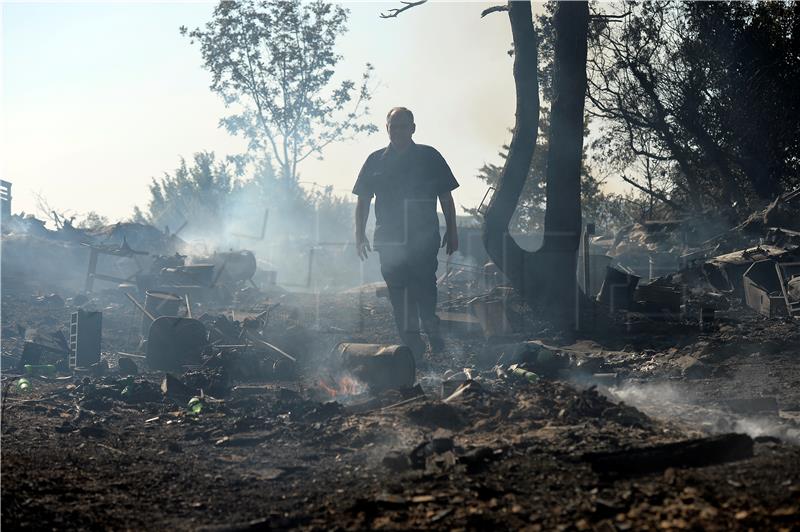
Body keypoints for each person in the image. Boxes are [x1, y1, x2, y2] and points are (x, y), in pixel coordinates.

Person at [353, 107, 459, 361]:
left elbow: (446, 196)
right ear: (387, 128)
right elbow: (363, 200)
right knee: (398, 295)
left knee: (425, 290)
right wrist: (359, 234)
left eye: (404, 126)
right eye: (394, 126)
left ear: (413, 128)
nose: (399, 131)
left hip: (423, 239)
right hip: (389, 240)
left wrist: (453, 230)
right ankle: (414, 347)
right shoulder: (375, 160)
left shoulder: (429, 156)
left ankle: (432, 331)